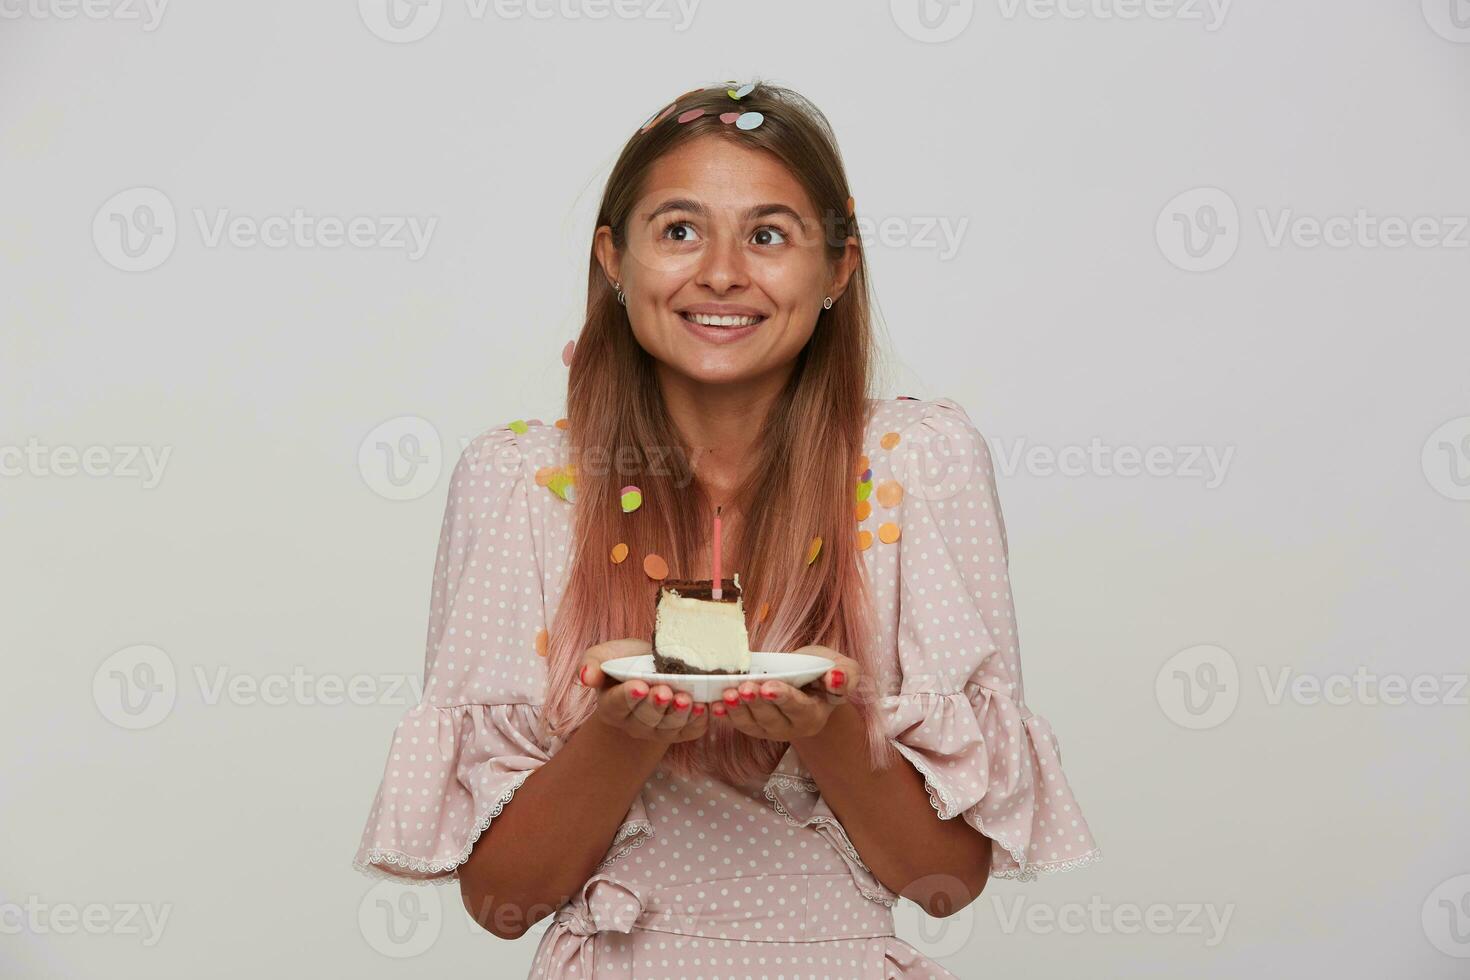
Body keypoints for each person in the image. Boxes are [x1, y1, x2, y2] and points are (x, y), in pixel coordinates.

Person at [352, 80, 1100, 978]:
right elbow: (502, 902)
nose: (720, 272)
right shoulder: (522, 485)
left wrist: (829, 728)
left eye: (769, 234)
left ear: (837, 269)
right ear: (614, 260)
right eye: (678, 229)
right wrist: (623, 733)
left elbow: (944, 881)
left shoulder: (917, 466)